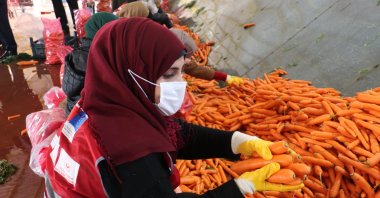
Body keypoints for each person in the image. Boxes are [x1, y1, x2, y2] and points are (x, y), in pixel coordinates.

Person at [44, 18, 303, 197]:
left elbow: (176, 134)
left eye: (180, 73)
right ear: (132, 74)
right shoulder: (129, 152)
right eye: (169, 74)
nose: (180, 84)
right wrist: (241, 187)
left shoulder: (103, 105)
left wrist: (237, 142)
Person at [62, 12, 118, 115]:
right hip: (93, 116)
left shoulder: (75, 55)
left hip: (73, 113)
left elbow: (67, 88)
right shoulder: (106, 57)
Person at [170, 28, 244, 84]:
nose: (188, 60)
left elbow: (195, 70)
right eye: (185, 56)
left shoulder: (181, 62)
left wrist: (226, 77)